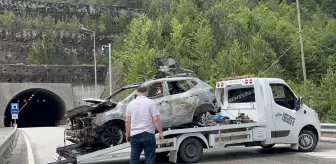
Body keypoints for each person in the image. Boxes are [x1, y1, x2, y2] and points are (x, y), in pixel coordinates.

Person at [125, 86, 164, 164]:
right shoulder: (150, 102)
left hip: (135, 135)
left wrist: (127, 134)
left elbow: (127, 121)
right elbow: (156, 119)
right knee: (150, 159)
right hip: (148, 134)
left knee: (134, 159)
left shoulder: (130, 104)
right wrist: (161, 133)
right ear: (146, 93)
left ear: (136, 93)